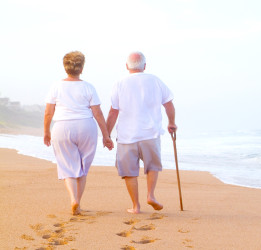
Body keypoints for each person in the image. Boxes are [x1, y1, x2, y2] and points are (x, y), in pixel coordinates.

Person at [44, 51, 114, 215]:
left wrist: (46, 131)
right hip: (86, 127)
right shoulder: (88, 87)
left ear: (65, 67)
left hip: (62, 127)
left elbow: (48, 112)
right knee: (82, 168)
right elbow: (98, 113)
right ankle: (78, 204)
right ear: (81, 68)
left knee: (68, 167)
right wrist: (106, 136)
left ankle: (73, 200)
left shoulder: (56, 86)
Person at [106, 51, 177, 214]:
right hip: (150, 133)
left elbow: (113, 112)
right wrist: (171, 123)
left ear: (126, 66)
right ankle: (151, 195)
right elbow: (169, 105)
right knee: (152, 166)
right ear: (145, 66)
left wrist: (107, 134)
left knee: (129, 172)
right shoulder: (155, 80)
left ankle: (135, 206)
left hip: (126, 136)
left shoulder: (119, 83)